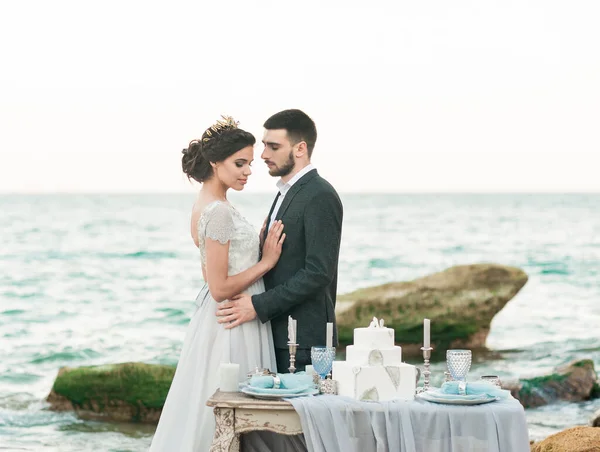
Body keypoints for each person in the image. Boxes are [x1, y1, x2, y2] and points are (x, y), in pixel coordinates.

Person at [149, 116, 286, 452]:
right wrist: (267, 261)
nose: (248, 171)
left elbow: (211, 273)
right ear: (214, 162)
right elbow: (219, 286)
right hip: (232, 321)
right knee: (231, 412)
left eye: (250, 164)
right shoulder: (219, 212)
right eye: (239, 163)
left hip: (227, 317)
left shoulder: (210, 207)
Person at [216, 109, 344, 373]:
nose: (263, 155)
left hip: (305, 342)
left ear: (300, 148)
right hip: (277, 335)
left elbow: (319, 272)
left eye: (273, 147)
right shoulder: (287, 193)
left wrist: (257, 305)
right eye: (264, 145)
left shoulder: (320, 195)